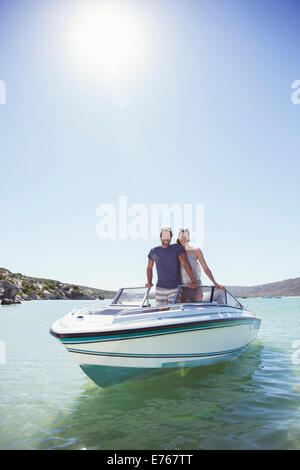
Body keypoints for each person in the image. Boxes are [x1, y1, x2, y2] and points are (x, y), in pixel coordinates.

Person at [145, 227, 198, 305]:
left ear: (170, 237)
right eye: (164, 236)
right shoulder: (154, 251)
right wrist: (149, 282)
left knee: (173, 312)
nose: (166, 238)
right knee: (162, 313)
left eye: (168, 236)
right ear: (160, 237)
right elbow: (149, 268)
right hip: (160, 288)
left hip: (175, 288)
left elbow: (185, 264)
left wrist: (194, 281)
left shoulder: (176, 248)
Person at [177, 228, 225, 302]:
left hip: (196, 286)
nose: (182, 239)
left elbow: (205, 268)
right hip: (183, 288)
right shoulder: (177, 253)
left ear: (188, 238)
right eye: (180, 237)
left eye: (184, 237)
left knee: (196, 309)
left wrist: (214, 282)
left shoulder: (196, 251)